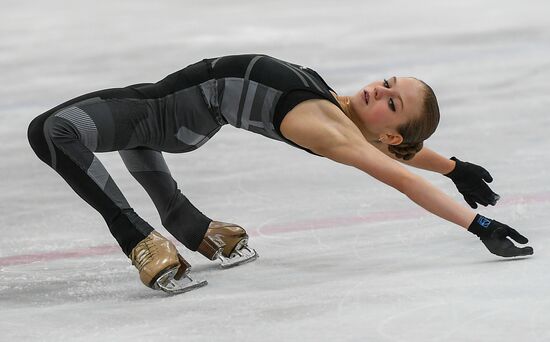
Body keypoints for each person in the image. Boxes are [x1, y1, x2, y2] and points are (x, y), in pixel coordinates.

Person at [27, 54, 533, 294]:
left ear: (392, 133)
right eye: (385, 83)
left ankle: (139, 239)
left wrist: (478, 226)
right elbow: (398, 156)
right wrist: (454, 166)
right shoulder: (341, 113)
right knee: (112, 131)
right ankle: (194, 228)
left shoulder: (328, 129)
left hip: (162, 114)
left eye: (391, 102)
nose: (377, 92)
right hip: (171, 120)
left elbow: (399, 176)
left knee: (52, 131)